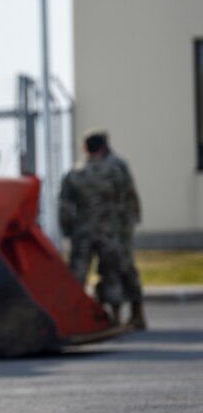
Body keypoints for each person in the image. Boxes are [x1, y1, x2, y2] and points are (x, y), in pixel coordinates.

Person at [58, 131, 130, 324]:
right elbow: (125, 200)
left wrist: (67, 230)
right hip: (109, 231)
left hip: (83, 233)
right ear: (102, 147)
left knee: (77, 276)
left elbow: (65, 207)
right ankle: (116, 317)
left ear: (85, 148)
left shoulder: (75, 174)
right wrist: (123, 228)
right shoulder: (114, 171)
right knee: (112, 274)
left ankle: (71, 318)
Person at [103, 133, 145, 329]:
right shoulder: (119, 164)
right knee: (120, 268)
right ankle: (134, 314)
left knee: (119, 268)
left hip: (115, 227)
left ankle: (125, 315)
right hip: (119, 225)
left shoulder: (110, 166)